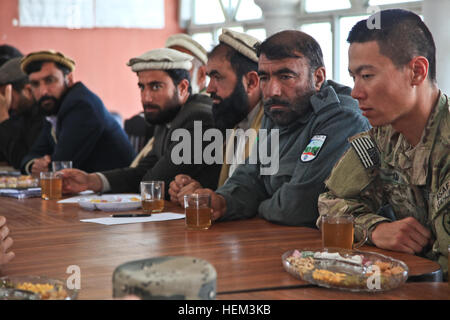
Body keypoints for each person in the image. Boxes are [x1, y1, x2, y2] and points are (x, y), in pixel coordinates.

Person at [318, 9, 449, 279]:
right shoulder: (381, 138)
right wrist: (375, 229)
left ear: (416, 72)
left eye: (367, 76)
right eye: (353, 77)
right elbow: (330, 204)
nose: (355, 92)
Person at [192, 30, 370, 227]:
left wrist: (257, 205)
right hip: (280, 241)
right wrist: (223, 202)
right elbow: (250, 177)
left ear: (318, 78)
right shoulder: (279, 109)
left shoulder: (341, 117)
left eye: (285, 76)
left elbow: (296, 208)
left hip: (332, 251)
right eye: (265, 78)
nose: (272, 91)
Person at [60, 48, 221, 197]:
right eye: (142, 87)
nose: (146, 98)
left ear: (183, 88)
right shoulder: (168, 114)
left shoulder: (197, 118)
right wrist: (91, 181)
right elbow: (143, 171)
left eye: (156, 87)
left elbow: (154, 183)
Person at [169, 29, 264, 205]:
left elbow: (258, 195)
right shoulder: (234, 119)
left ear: (251, 82)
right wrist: (197, 189)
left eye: (217, 77)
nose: (210, 88)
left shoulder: (274, 125)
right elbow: (231, 187)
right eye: (209, 77)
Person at [19, 50, 135, 175]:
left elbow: (61, 166)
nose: (43, 91)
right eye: (35, 84)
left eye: (50, 80)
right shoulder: (53, 108)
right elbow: (33, 154)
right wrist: (33, 165)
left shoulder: (81, 105)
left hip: (117, 191)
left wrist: (44, 167)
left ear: (69, 79)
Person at [0, 57, 44, 169]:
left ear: (28, 90)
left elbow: (22, 160)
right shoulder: (22, 113)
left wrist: (3, 116)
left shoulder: (45, 114)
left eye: (9, 95)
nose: (7, 102)